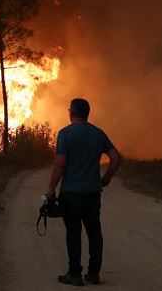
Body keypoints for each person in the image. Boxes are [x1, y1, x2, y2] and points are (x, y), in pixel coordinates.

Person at [45, 97, 122, 286]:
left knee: (73, 232)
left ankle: (74, 274)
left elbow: (60, 164)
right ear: (86, 113)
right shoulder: (98, 134)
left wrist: (50, 189)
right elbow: (116, 157)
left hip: (71, 193)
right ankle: (93, 274)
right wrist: (106, 179)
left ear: (71, 112)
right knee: (94, 231)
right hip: (93, 193)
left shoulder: (65, 134)